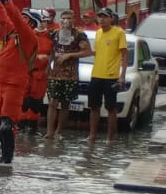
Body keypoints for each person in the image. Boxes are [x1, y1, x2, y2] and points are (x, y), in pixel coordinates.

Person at [0, 0, 38, 163]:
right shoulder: (13, 35)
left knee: (6, 125)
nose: (22, 20)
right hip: (2, 83)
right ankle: (4, 155)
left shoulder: (29, 37)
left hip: (15, 86)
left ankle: (7, 160)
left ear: (31, 24)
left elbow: (15, 18)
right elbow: (3, 18)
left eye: (26, 19)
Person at [46, 9, 92, 137]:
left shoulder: (79, 35)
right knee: (52, 103)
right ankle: (50, 132)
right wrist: (48, 66)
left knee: (65, 104)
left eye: (69, 18)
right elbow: (51, 50)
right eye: (64, 18)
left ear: (74, 20)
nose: (66, 21)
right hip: (55, 73)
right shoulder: (54, 34)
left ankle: (59, 131)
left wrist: (70, 55)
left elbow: (88, 52)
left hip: (70, 75)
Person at [88, 8, 129, 144]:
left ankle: (110, 138)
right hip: (96, 74)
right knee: (94, 106)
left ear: (111, 18)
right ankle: (92, 135)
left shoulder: (119, 32)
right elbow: (96, 53)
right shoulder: (98, 33)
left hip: (111, 76)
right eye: (99, 16)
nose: (102, 19)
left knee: (111, 108)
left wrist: (122, 75)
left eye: (105, 17)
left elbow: (124, 54)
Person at [20, 10, 54, 135]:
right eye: (40, 21)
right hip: (26, 72)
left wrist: (48, 61)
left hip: (40, 74)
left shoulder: (51, 37)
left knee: (36, 102)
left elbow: (53, 55)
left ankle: (32, 128)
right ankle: (21, 126)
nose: (42, 24)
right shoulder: (28, 35)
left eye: (44, 21)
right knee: (24, 101)